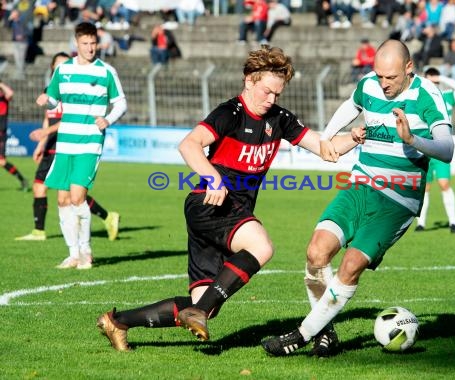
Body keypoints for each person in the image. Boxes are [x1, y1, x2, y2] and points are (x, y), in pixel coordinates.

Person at [95, 46, 355, 352]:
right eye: (267, 91)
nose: (271, 100)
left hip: (228, 214)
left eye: (277, 94)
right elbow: (189, 145)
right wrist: (212, 177)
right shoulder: (229, 113)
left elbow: (326, 149)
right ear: (249, 81)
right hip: (209, 206)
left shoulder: (280, 118)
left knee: (206, 302)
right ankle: (198, 312)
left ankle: (118, 321)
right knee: (261, 246)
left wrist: (356, 136)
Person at [261, 39, 454, 357]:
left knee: (350, 265)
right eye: (379, 76)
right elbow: (352, 106)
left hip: (398, 200)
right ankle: (326, 333)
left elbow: (447, 150)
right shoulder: (369, 85)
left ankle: (301, 334)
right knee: (316, 253)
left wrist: (412, 138)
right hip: (360, 184)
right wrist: (326, 136)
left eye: (390, 78)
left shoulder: (427, 95)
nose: (384, 84)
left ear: (409, 69)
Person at [35, 22, 127, 270]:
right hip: (65, 142)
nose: (90, 48)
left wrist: (108, 119)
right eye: (85, 43)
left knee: (78, 197)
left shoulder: (106, 71)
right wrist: (46, 100)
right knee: (63, 200)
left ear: (97, 43)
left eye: (93, 43)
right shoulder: (63, 70)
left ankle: (86, 252)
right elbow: (54, 100)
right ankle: (73, 254)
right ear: (76, 44)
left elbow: (120, 103)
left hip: (89, 142)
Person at [15, 52, 120, 242]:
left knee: (71, 193)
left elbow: (68, 120)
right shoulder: (52, 89)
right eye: (58, 65)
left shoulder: (75, 89)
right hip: (52, 144)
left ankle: (104, 219)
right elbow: (49, 117)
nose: (63, 67)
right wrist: (41, 144)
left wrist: (45, 134)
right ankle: (39, 230)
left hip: (66, 143)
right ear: (52, 68)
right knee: (41, 187)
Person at [415, 67, 455, 233]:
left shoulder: (447, 96)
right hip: (425, 147)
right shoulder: (421, 97)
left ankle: (453, 223)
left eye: (435, 79)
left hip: (441, 147)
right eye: (431, 78)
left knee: (444, 184)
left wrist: (442, 78)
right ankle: (420, 223)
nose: (434, 82)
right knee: (425, 186)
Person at [0, 79, 29, 191]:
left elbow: (10, 93)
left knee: (1, 161)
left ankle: (22, 180)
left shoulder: (4, 98)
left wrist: (1, 83)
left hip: (1, 133)